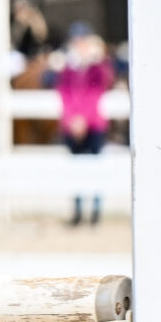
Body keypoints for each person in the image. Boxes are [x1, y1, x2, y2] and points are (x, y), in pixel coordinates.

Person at [57, 24, 116, 225]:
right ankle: (78, 211)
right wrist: (72, 120)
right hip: (74, 125)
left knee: (95, 167)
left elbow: (96, 94)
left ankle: (96, 212)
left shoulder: (97, 67)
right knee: (76, 169)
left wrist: (83, 119)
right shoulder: (68, 68)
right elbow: (64, 96)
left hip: (93, 125)